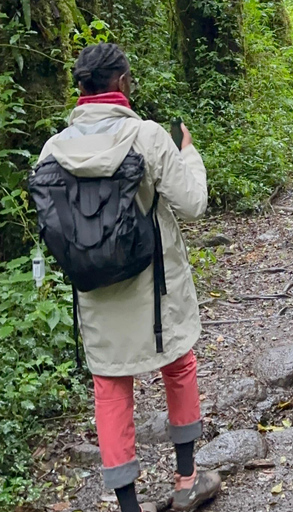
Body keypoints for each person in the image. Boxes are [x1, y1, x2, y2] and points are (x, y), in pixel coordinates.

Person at [35, 43, 220, 512]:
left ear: (81, 90)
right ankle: (186, 479)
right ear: (120, 84)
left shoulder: (52, 150)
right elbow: (192, 204)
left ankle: (129, 506)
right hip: (155, 288)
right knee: (178, 364)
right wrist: (190, 155)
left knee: (111, 387)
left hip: (95, 292)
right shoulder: (147, 136)